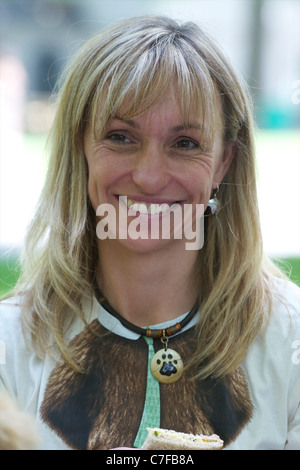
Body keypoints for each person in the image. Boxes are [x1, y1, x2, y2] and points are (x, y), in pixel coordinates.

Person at [0, 15, 299, 451]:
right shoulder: (8, 347)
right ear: (80, 148)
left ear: (224, 162)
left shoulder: (290, 342)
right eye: (121, 137)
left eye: (185, 144)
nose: (149, 176)